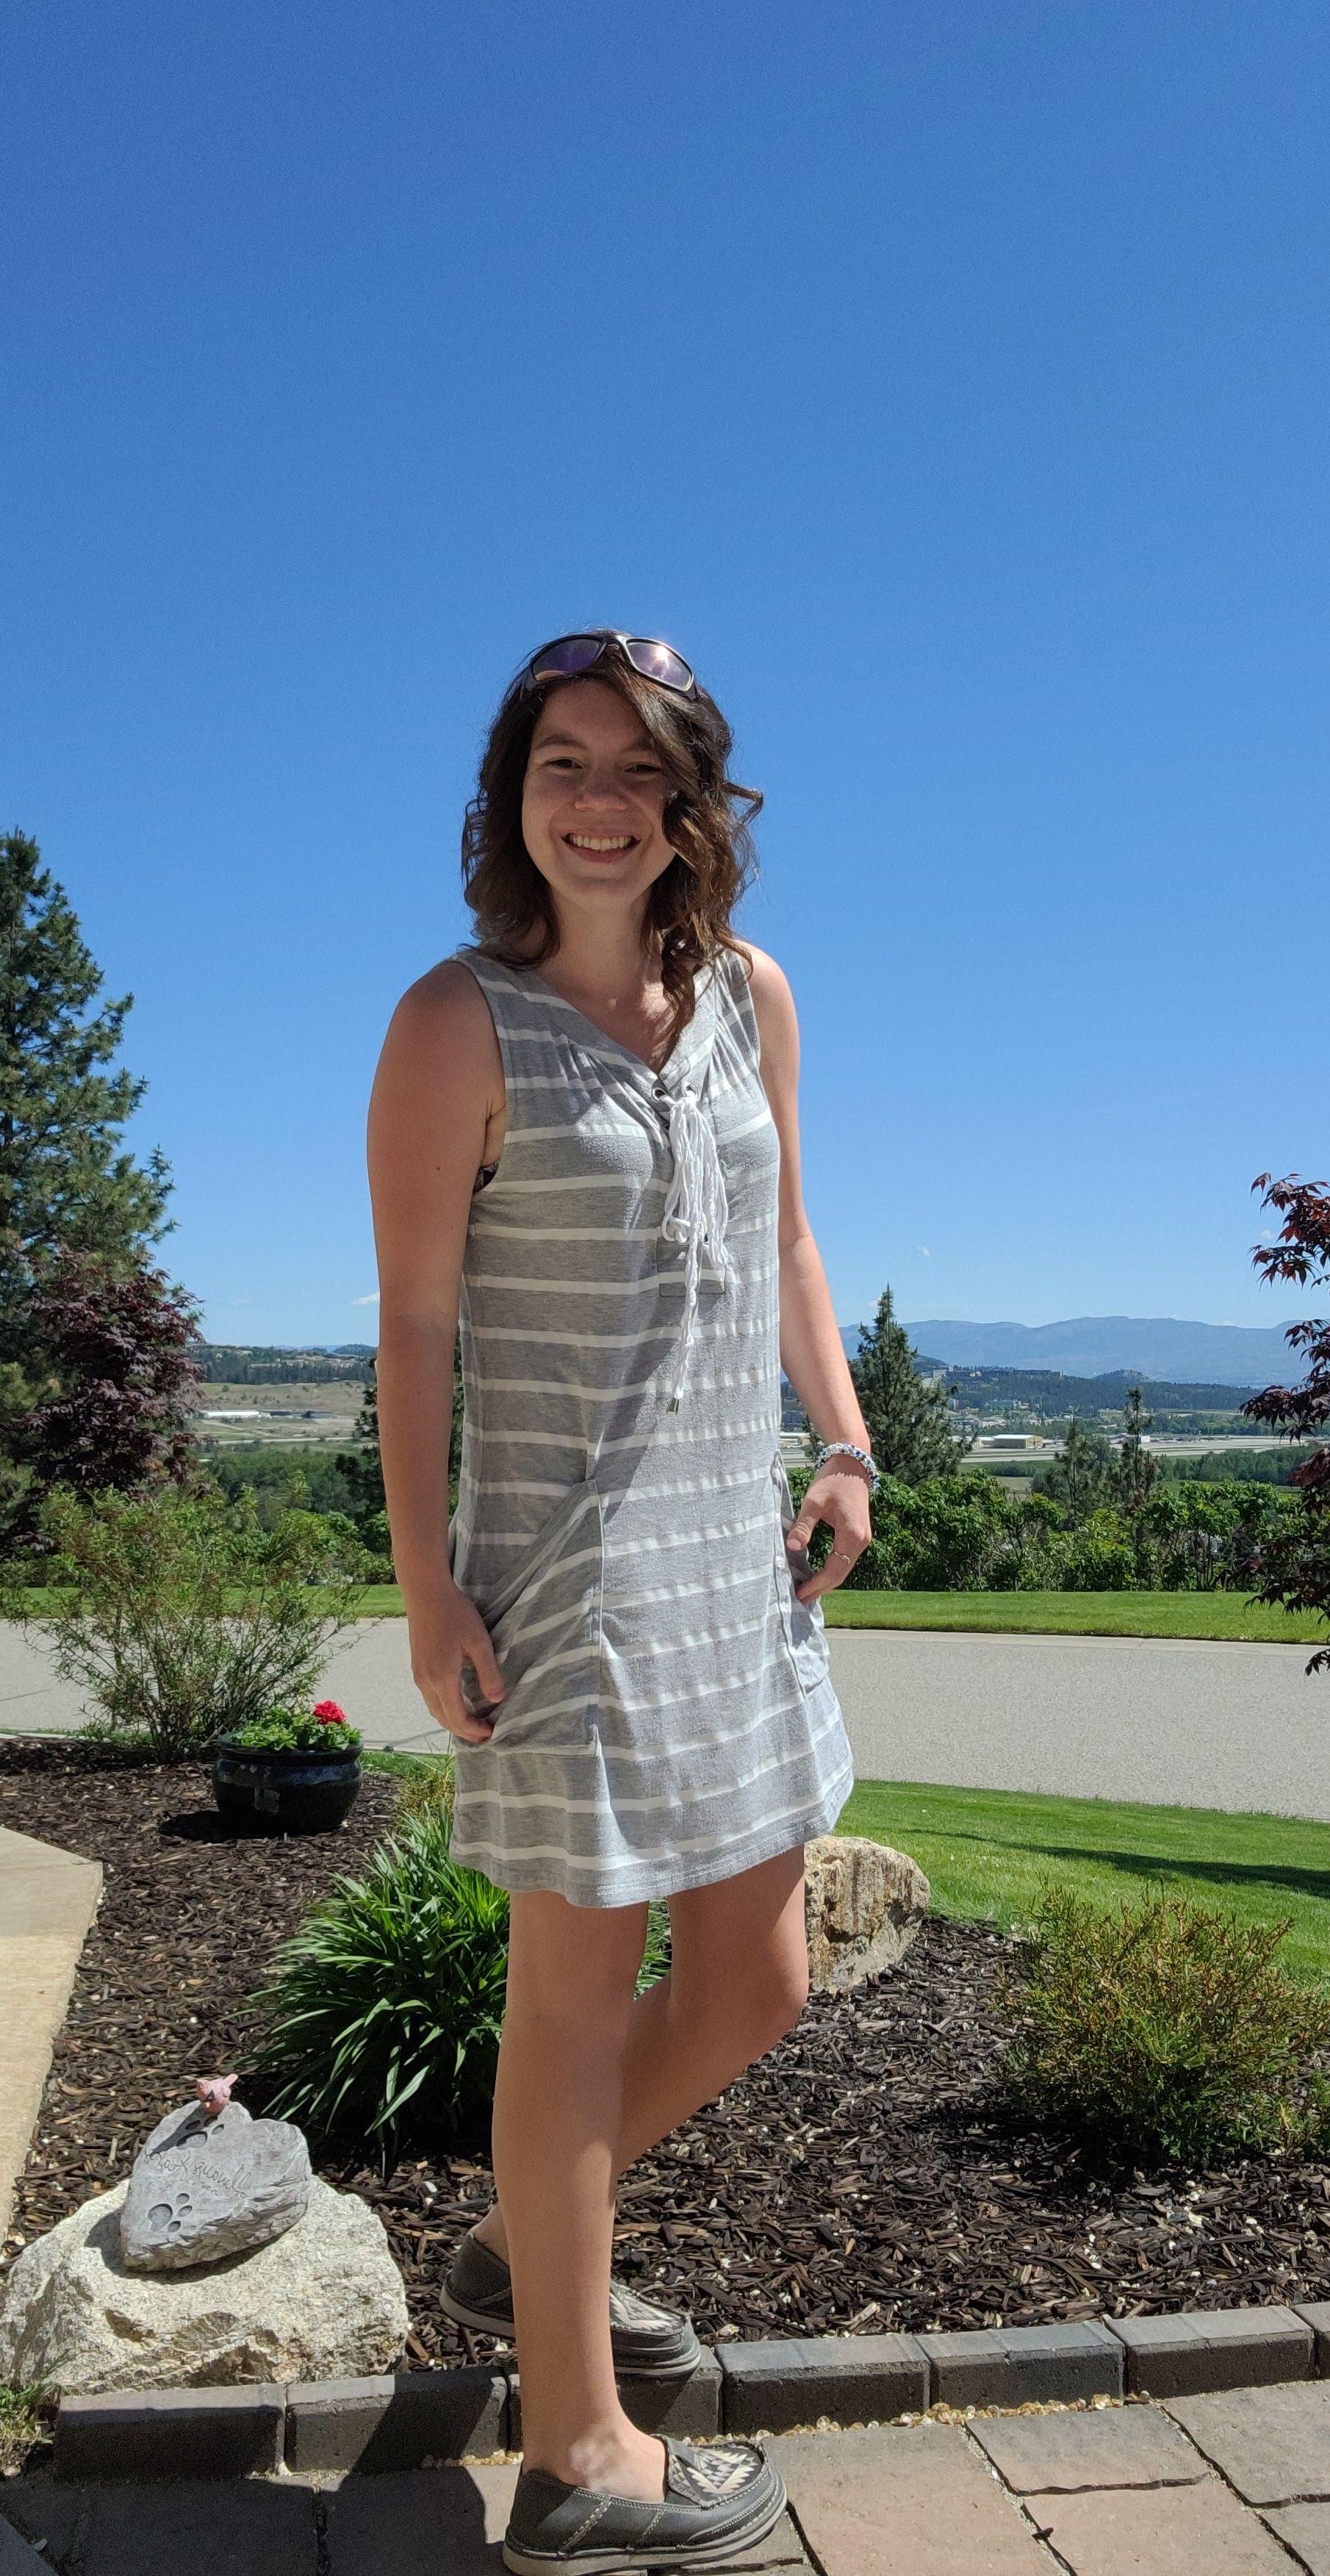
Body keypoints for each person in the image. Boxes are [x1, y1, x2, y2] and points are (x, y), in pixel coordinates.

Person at [367, 629, 876, 2573]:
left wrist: (839, 1441)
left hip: (732, 1573)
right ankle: (578, 2453)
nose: (596, 800)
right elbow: (415, 1329)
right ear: (511, 797)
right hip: (564, 1582)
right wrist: (428, 1586)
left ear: (690, 804)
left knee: (755, 1978)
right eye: (557, 763)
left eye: (634, 768)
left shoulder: (749, 994)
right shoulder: (455, 1024)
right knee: (569, 2008)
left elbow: (791, 1232)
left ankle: (525, 2248)